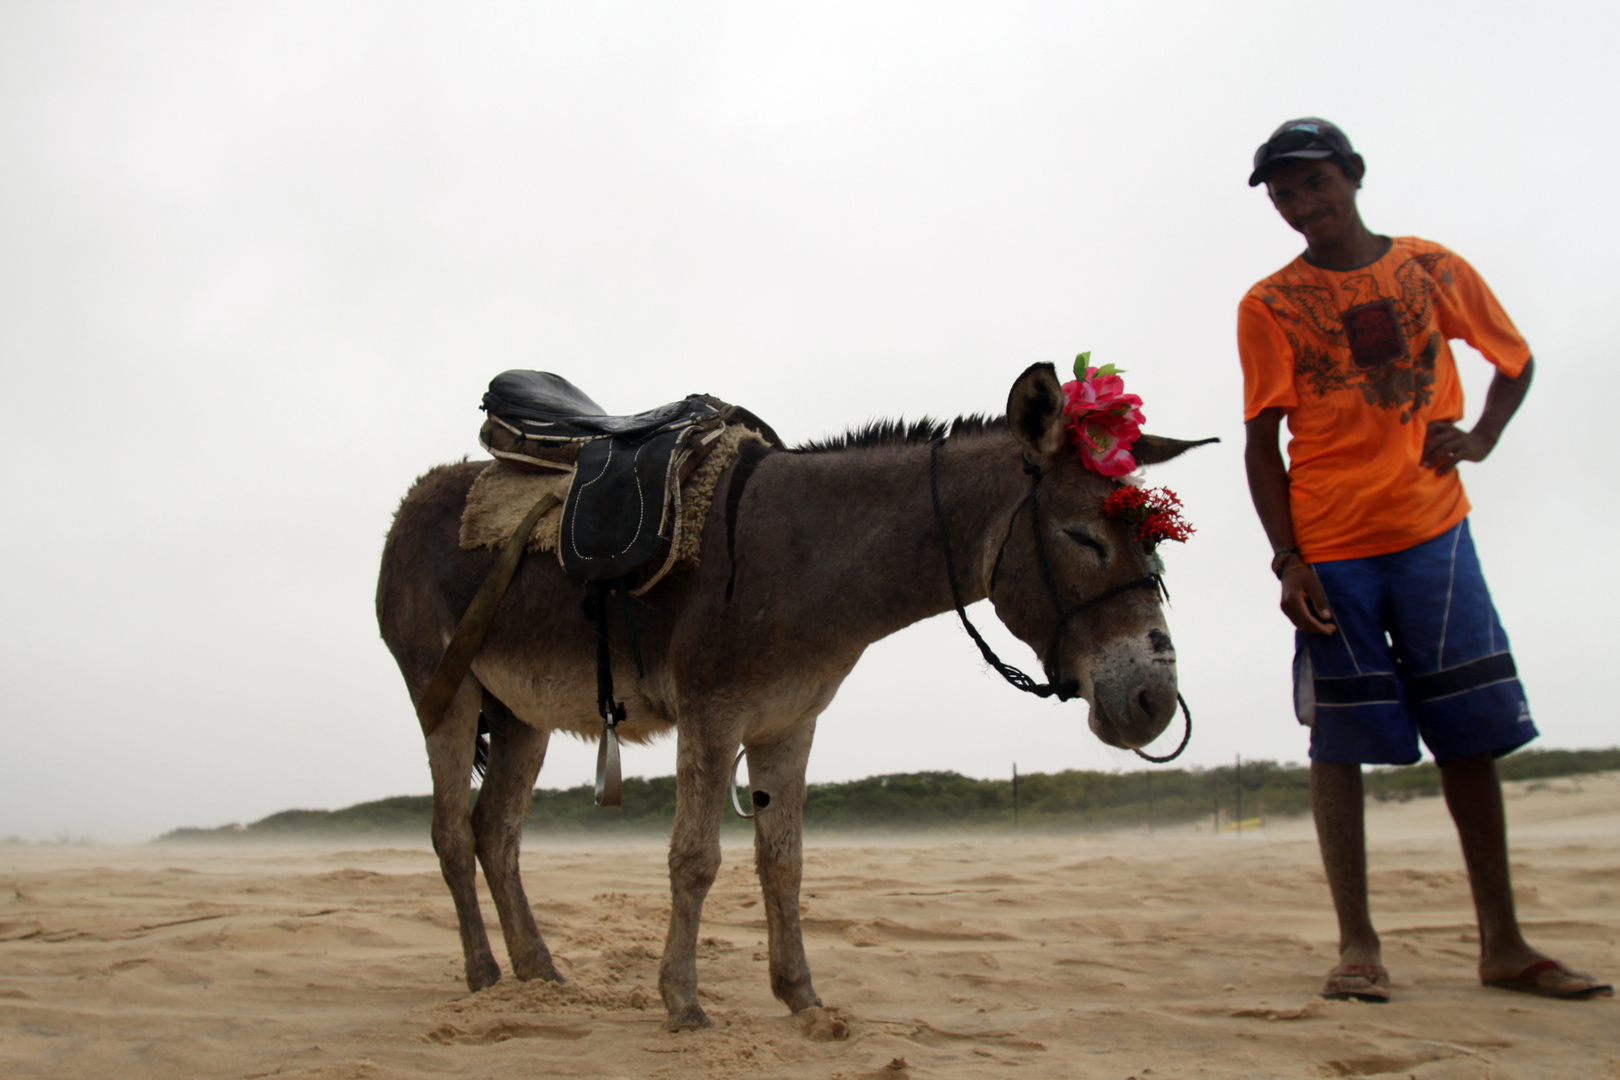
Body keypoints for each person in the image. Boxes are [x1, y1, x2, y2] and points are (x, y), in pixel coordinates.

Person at [1237, 118, 1611, 1003]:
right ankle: (1357, 945)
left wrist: (1480, 435)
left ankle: (1505, 943)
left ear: (1353, 176)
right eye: (1285, 194)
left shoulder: (1431, 269)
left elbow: (1513, 361)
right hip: (1331, 547)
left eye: (1314, 182)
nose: (1301, 204)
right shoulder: (1269, 303)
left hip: (1434, 533)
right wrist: (1288, 559)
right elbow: (1261, 442)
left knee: (1469, 733)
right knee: (1340, 741)